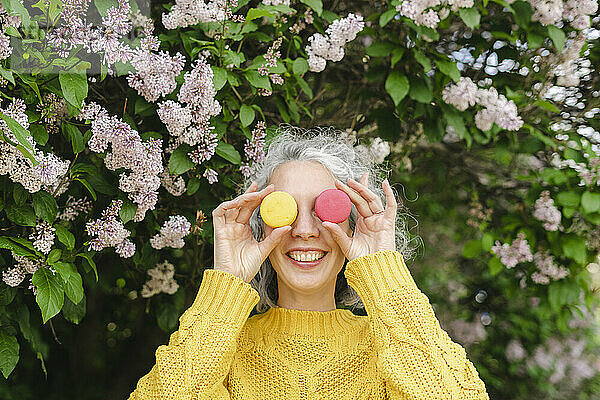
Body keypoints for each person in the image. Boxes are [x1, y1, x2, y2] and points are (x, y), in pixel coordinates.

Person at [128, 126, 490, 399]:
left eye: (322, 209)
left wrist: (382, 267)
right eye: (285, 209)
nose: (303, 230)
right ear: (260, 228)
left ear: (353, 224)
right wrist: (225, 284)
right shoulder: (221, 350)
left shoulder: (390, 348)